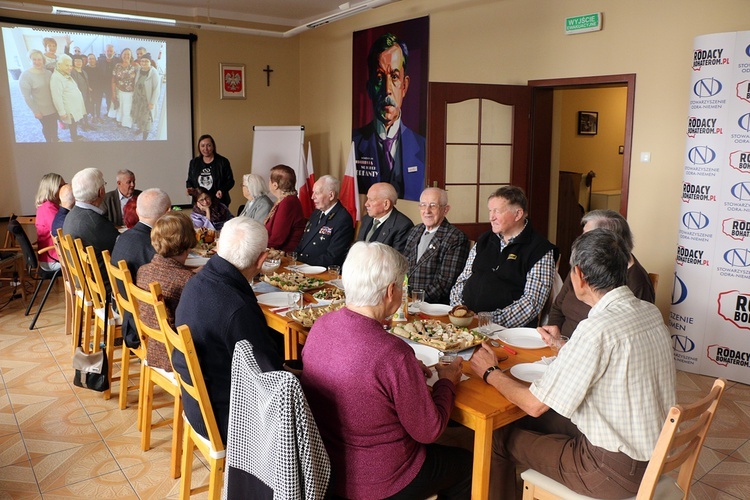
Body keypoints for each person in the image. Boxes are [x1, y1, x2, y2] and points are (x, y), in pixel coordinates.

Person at [470, 229, 676, 499]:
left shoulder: (596, 328)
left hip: (611, 471)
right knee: (528, 421)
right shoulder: (648, 311)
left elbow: (534, 405)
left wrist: (490, 372)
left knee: (497, 439)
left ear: (579, 276)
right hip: (652, 453)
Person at [301, 242, 472, 499]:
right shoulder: (392, 352)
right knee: (467, 465)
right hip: (383, 479)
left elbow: (350, 367)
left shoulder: (322, 325)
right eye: (402, 287)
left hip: (325, 464)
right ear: (391, 291)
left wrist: (405, 373)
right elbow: (429, 431)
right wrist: (446, 381)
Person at [174, 217, 283, 443]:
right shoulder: (237, 307)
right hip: (226, 419)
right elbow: (268, 378)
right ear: (262, 259)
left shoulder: (196, 281)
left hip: (196, 404)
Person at [450, 186, 558, 328]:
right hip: (466, 323)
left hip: (506, 331)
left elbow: (532, 303)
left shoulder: (539, 249)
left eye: (497, 211)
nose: (491, 217)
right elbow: (462, 280)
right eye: (490, 210)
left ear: (518, 214)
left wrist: (486, 320)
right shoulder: (485, 240)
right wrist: (459, 310)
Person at [544, 209, 656, 339]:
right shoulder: (583, 263)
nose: (580, 241)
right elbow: (557, 307)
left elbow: (631, 335)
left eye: (586, 236)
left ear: (607, 241)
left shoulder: (637, 282)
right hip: (561, 347)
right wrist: (554, 338)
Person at [353, 33, 426, 201]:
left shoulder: (422, 147)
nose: (387, 89)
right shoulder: (354, 144)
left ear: (405, 86)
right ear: (370, 87)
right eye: (379, 78)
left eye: (394, 77)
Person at [136, 211, 196, 372]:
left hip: (154, 349)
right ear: (188, 240)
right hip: (175, 357)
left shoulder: (144, 270)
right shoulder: (187, 280)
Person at [111, 188, 171, 347]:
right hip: (144, 325)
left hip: (128, 315)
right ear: (168, 212)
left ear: (137, 211)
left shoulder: (123, 238)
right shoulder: (153, 248)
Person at [403, 187, 469, 304]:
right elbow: (403, 266)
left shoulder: (455, 237)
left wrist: (415, 300)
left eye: (433, 205)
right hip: (406, 300)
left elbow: (445, 283)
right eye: (423, 205)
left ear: (445, 210)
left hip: (433, 306)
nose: (427, 211)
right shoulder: (415, 230)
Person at [63, 167, 120, 292]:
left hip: (85, 282)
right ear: (101, 191)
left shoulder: (72, 215)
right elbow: (121, 249)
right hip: (104, 287)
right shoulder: (94, 222)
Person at [295, 175, 353, 267]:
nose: (312, 197)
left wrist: (302, 262)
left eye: (317, 193)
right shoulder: (316, 213)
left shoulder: (342, 219)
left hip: (320, 271)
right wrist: (293, 258)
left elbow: (332, 257)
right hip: (303, 266)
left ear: (331, 195)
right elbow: (302, 243)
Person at [356, 182, 413, 253]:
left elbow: (396, 260)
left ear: (386, 204)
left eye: (371, 200)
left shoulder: (403, 226)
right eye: (367, 198)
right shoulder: (366, 219)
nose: (366, 204)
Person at [18, 49, 59, 143]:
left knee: (54, 126)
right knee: (47, 128)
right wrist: (35, 111)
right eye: (34, 59)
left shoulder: (48, 73)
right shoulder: (25, 76)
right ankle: (49, 143)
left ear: (43, 60)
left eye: (39, 59)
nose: (37, 62)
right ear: (30, 60)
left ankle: (56, 140)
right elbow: (26, 97)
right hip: (42, 110)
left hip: (53, 107)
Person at [264, 164, 306, 252]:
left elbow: (277, 239)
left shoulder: (288, 203)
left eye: (269, 180)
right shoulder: (284, 200)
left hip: (284, 256)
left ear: (275, 185)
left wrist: (258, 248)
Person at [186, 134, 235, 208]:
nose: (205, 149)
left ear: (213, 146)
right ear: (199, 147)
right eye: (202, 146)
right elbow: (190, 181)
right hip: (200, 204)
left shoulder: (223, 162)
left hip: (219, 203)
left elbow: (230, 181)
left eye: (208, 145)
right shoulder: (194, 163)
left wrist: (222, 190)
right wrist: (190, 189)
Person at [49, 54, 87, 142]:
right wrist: (62, 112)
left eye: (70, 65)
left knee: (74, 122)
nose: (70, 67)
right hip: (69, 106)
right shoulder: (56, 78)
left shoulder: (64, 73)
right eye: (67, 65)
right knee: (73, 123)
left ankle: (74, 136)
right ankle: (74, 137)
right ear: (59, 64)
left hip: (73, 105)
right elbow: (56, 97)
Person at [35, 173, 65, 271]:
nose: (64, 189)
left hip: (50, 257)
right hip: (53, 259)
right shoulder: (48, 208)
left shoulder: (46, 207)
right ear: (51, 189)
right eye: (61, 186)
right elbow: (63, 231)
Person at [131, 54, 160, 141]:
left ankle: (145, 137)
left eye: (146, 61)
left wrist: (152, 102)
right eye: (142, 61)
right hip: (138, 99)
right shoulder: (139, 70)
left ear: (150, 62)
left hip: (147, 101)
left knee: (146, 119)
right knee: (139, 116)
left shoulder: (154, 72)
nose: (144, 63)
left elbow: (156, 89)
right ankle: (140, 129)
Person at [109, 47, 136, 128]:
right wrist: (113, 93)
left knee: (127, 108)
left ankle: (126, 123)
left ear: (131, 56)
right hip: (119, 91)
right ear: (121, 55)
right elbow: (113, 80)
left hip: (130, 93)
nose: (126, 56)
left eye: (128, 54)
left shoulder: (135, 67)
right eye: (124, 54)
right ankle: (119, 121)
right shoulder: (117, 66)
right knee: (120, 107)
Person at [69, 54, 93, 131]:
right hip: (78, 95)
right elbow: (74, 85)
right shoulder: (72, 72)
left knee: (85, 109)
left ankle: (86, 123)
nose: (78, 63)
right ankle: (83, 125)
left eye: (80, 61)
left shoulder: (84, 72)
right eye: (76, 61)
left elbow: (86, 82)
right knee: (80, 110)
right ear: (73, 62)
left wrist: (88, 88)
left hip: (86, 94)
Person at [97, 44, 120, 116]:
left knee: (109, 100)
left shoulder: (118, 60)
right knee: (98, 100)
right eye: (108, 51)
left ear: (114, 52)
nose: (109, 52)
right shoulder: (100, 60)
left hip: (112, 84)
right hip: (101, 84)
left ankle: (109, 113)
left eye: (111, 51)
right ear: (105, 51)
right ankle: (97, 115)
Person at [86, 53, 107, 123]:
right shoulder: (85, 69)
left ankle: (98, 116)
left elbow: (103, 79)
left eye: (93, 58)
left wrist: (102, 89)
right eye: (90, 59)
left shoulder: (99, 69)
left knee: (98, 103)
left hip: (99, 90)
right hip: (90, 90)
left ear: (95, 60)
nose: (91, 60)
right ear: (87, 60)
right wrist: (88, 87)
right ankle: (92, 116)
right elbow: (84, 80)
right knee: (91, 103)